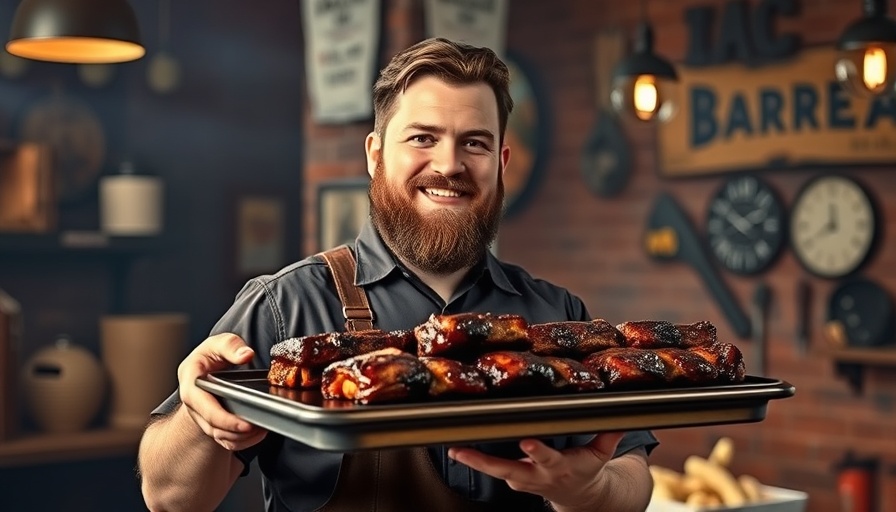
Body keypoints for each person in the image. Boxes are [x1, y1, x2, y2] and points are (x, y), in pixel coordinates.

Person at [138, 37, 657, 512]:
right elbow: (169, 498)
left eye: (474, 143)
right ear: (375, 154)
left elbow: (631, 478)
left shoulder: (557, 316)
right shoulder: (284, 305)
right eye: (423, 138)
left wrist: (589, 491)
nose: (449, 164)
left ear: (501, 162)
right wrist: (198, 415)